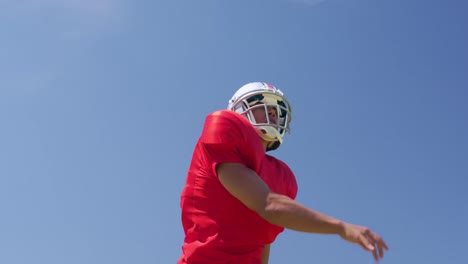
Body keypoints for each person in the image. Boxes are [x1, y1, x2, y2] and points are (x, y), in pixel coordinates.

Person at [178, 82, 389, 264]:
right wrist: (341, 227)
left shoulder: (281, 175)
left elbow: (262, 241)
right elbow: (268, 205)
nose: (273, 112)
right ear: (240, 109)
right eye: (264, 103)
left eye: (278, 110)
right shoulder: (224, 128)